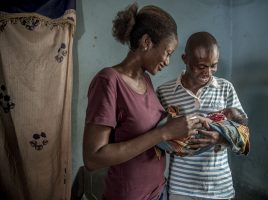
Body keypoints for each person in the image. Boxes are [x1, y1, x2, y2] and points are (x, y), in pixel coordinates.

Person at [82, 3, 203, 200]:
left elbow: (145, 133)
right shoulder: (108, 81)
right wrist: (164, 132)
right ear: (146, 42)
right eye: (167, 52)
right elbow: (93, 158)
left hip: (158, 192)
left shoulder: (146, 80)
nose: (167, 61)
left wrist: (179, 133)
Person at [156, 31, 248, 200]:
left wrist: (218, 138)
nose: (208, 72)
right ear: (185, 59)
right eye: (201, 66)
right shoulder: (165, 92)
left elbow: (244, 134)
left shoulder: (225, 88)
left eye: (213, 65)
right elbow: (156, 135)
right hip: (180, 188)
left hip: (219, 188)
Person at [155, 107, 249, 156]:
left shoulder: (227, 87)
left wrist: (221, 137)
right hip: (178, 179)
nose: (221, 111)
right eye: (223, 110)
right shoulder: (164, 90)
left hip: (218, 180)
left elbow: (242, 136)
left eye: (225, 113)